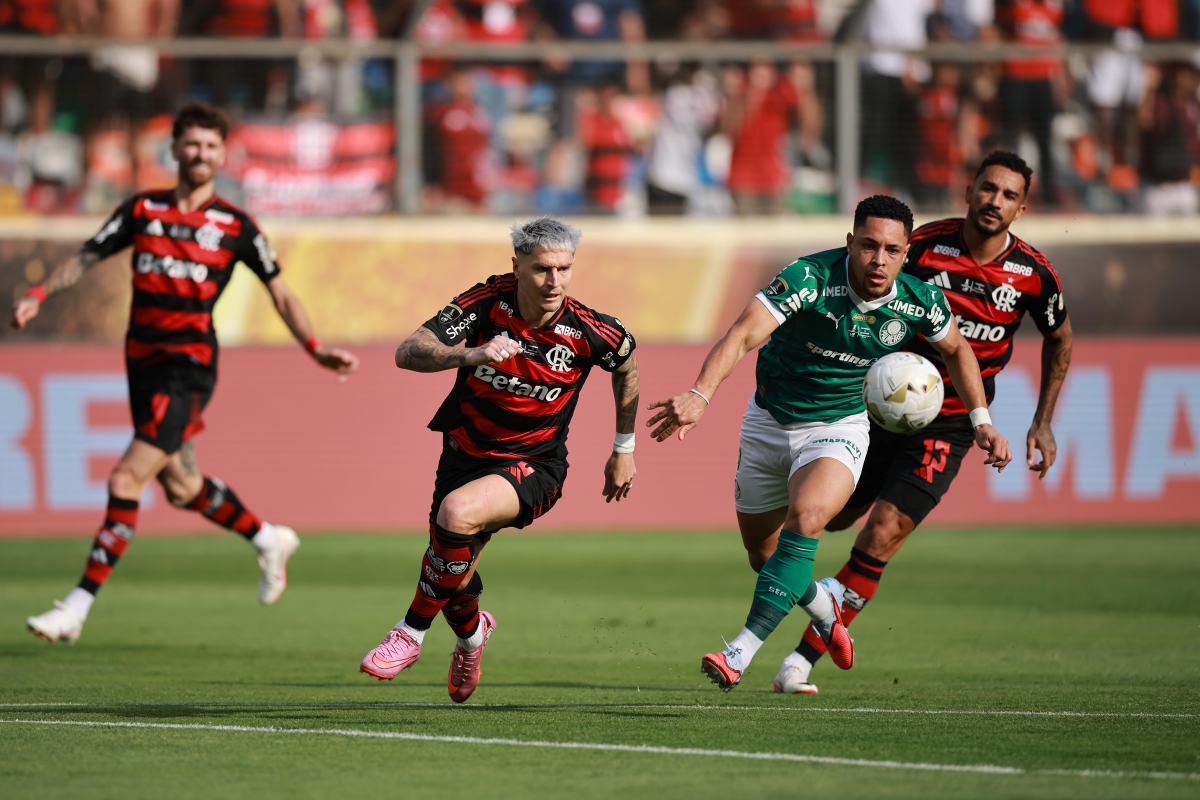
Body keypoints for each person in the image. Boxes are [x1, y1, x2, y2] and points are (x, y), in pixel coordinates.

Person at [11, 102, 359, 644]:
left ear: (223, 155)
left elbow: (281, 291)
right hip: (142, 365)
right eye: (191, 143)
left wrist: (314, 348)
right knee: (182, 486)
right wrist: (37, 293)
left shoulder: (236, 226)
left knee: (126, 478)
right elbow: (87, 256)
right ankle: (268, 538)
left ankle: (76, 606)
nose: (200, 153)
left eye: (211, 146)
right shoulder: (143, 210)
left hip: (188, 369)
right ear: (173, 149)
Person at [647, 195, 1011, 692]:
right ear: (849, 243)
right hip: (768, 422)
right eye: (868, 245)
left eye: (891, 250)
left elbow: (957, 349)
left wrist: (981, 420)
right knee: (765, 557)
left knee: (809, 519)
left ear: (907, 253)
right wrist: (699, 394)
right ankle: (827, 610)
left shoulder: (918, 300)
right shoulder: (808, 278)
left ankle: (739, 652)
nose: (878, 260)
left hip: (838, 427)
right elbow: (741, 335)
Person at [777, 151, 1071, 695]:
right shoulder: (922, 249)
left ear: (1022, 207)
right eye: (988, 188)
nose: (995, 201)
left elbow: (1060, 336)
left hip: (952, 422)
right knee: (827, 521)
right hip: (874, 409)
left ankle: (801, 660)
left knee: (884, 532)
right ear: (969, 189)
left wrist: (1043, 421)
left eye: (1008, 195)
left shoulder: (1034, 275)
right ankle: (797, 586)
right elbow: (862, 290)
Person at [357, 216, 639, 703]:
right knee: (452, 572)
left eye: (564, 269)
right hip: (464, 455)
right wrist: (470, 355)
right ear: (517, 265)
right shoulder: (486, 304)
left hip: (536, 465)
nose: (554, 282)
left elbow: (627, 365)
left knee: (456, 516)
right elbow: (410, 351)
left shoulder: (590, 331)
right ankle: (472, 637)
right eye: (542, 270)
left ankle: (408, 634)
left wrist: (624, 449)